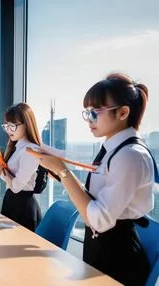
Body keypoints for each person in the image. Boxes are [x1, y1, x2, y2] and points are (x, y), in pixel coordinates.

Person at [36, 73, 156, 285]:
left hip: (119, 261)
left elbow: (100, 220)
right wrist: (59, 168)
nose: (89, 120)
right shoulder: (112, 149)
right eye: (87, 113)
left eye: (95, 113)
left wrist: (64, 172)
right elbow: (97, 194)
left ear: (123, 112)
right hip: (103, 250)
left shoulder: (131, 155)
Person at [0, 103, 44, 231]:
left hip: (23, 207)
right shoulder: (17, 147)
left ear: (26, 124)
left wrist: (3, 173)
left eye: (12, 126)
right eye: (6, 126)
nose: (8, 130)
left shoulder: (30, 150)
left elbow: (16, 186)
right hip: (13, 201)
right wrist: (0, 171)